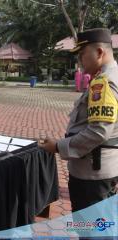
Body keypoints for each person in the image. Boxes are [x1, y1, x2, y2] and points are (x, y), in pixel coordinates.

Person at [39, 28, 118, 212]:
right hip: (104, 169)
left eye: (82, 54)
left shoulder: (104, 82)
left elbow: (99, 131)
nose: (79, 60)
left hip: (92, 175)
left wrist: (58, 146)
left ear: (99, 52)